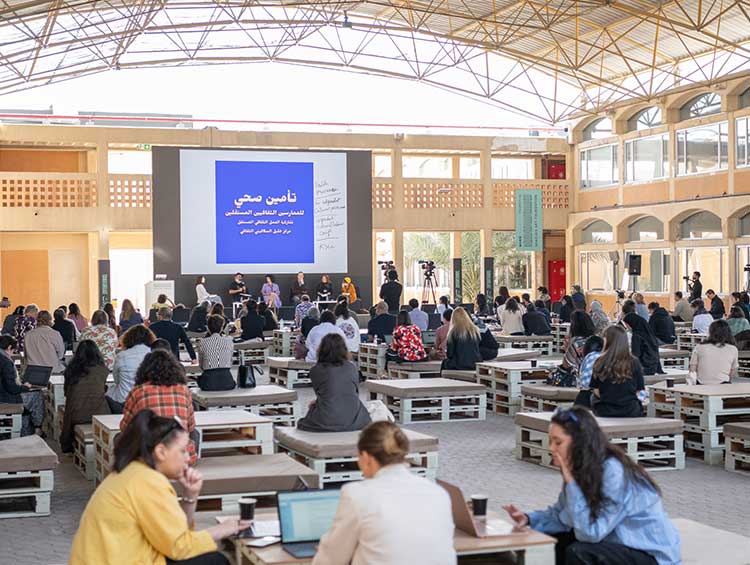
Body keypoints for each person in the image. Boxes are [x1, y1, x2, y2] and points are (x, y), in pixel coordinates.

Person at [504, 406, 680, 565]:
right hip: (614, 544)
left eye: (558, 442)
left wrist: (572, 484)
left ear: (579, 442)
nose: (551, 448)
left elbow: (591, 533)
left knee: (578, 552)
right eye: (551, 441)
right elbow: (562, 516)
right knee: (551, 541)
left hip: (649, 555)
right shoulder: (581, 469)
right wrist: (529, 519)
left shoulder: (613, 471)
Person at [69, 410, 248, 565]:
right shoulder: (148, 481)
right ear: (161, 452)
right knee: (216, 560)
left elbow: (173, 535)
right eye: (182, 450)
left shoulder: (133, 471)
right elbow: (179, 547)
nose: (188, 458)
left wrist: (190, 496)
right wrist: (223, 529)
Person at [313, 421, 455, 565]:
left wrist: (327, 549)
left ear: (366, 457)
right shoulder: (438, 493)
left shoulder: (357, 494)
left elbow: (331, 559)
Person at [120, 349, 198, 464]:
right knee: (194, 434)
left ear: (144, 370)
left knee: (119, 438)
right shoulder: (184, 390)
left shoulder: (138, 392)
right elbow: (190, 426)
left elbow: (125, 427)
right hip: (180, 458)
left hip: (148, 459)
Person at [298, 334, 371, 432]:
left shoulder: (316, 370)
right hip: (355, 420)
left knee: (304, 422)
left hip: (326, 420)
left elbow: (324, 393)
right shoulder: (352, 368)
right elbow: (353, 393)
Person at [59, 340, 110, 452]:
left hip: (76, 415)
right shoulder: (102, 370)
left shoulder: (71, 370)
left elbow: (66, 393)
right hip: (100, 415)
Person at [589, 326, 646, 417]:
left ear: (607, 340)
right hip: (630, 410)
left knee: (592, 397)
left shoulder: (599, 361)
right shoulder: (635, 362)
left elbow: (596, 390)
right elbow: (639, 390)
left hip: (605, 410)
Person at [0, 335, 44, 436]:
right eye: (13, 351)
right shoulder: (6, 361)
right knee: (37, 396)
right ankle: (37, 429)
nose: (12, 354)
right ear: (9, 347)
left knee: (26, 407)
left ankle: (25, 430)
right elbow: (12, 388)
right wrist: (25, 387)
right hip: (5, 399)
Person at [106, 325, 155, 414]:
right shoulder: (153, 353)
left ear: (128, 338)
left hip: (123, 400)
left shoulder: (122, 355)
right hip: (148, 400)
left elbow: (117, 380)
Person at [689, 320, 738, 385]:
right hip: (723, 386)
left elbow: (692, 370)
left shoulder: (699, 347)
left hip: (701, 385)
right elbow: (733, 372)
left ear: (710, 332)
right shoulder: (733, 349)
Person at [560, 311, 596, 376]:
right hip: (600, 376)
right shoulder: (597, 339)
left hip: (584, 376)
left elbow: (566, 365)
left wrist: (567, 349)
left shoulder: (576, 342)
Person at [575, 336, 605, 408]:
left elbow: (585, 383)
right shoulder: (609, 357)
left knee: (584, 394)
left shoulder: (591, 357)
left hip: (598, 398)